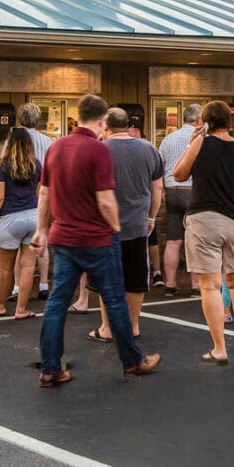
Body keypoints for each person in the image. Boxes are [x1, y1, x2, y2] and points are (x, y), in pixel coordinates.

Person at [33, 94, 160, 388]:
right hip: (97, 238)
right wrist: (115, 226)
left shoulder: (56, 148)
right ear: (102, 120)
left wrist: (41, 229)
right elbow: (104, 199)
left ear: (77, 116)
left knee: (56, 303)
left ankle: (50, 367)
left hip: (62, 237)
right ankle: (132, 360)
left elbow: (44, 193)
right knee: (115, 300)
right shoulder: (98, 150)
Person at [173, 100, 234, 363]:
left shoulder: (201, 144)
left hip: (204, 218)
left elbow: (178, 174)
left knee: (210, 286)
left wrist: (192, 142)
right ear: (229, 122)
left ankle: (219, 347)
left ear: (204, 122)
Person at [87, 108, 163, 344]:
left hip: (104, 225)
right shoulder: (149, 148)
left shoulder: (99, 150)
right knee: (136, 277)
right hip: (138, 224)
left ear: (105, 126)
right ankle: (134, 325)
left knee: (106, 279)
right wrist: (151, 218)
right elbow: (157, 188)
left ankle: (108, 327)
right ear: (128, 124)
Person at [0, 127, 42, 320]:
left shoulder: (2, 166)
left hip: (10, 218)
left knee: (5, 269)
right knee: (29, 266)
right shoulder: (37, 165)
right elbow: (39, 194)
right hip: (33, 216)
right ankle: (21, 309)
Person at [5, 103, 54, 300]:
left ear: (19, 118)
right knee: (42, 239)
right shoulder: (47, 141)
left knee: (21, 245)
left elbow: (5, 165)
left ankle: (17, 287)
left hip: (20, 195)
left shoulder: (13, 140)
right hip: (44, 192)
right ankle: (43, 284)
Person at [158, 103, 201, 296]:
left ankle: (170, 284)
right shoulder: (200, 139)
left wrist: (163, 191)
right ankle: (195, 285)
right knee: (195, 241)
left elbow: (161, 167)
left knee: (173, 241)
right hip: (193, 190)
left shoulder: (168, 139)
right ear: (199, 119)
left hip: (172, 190)